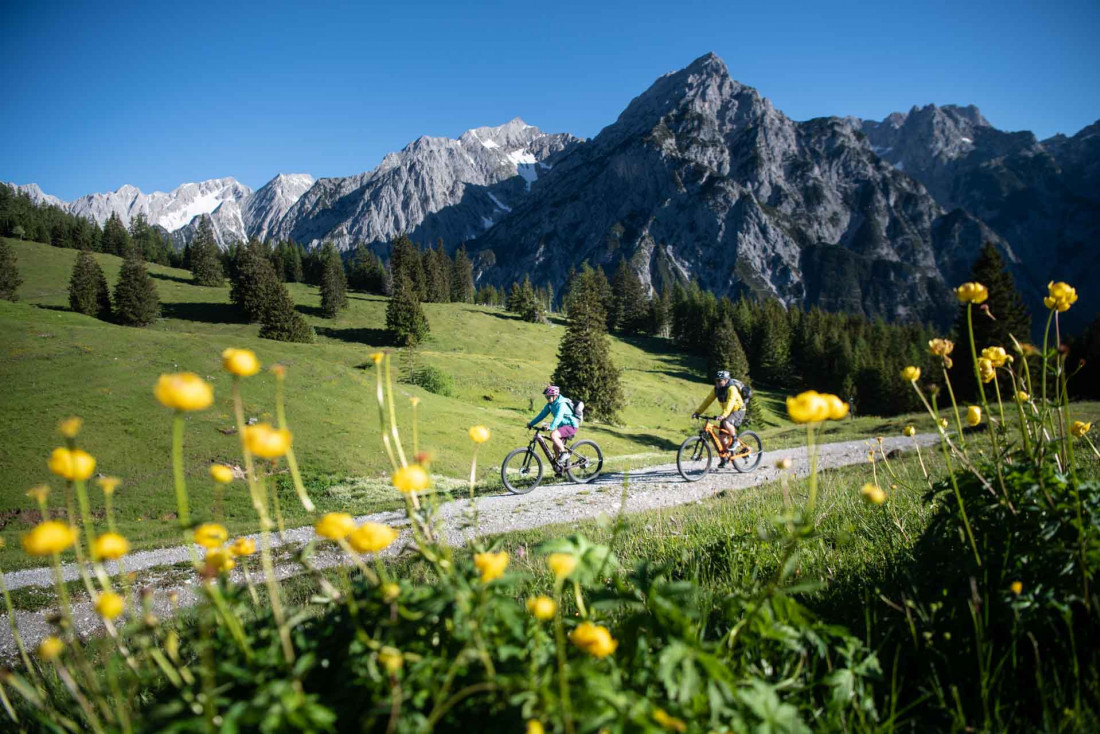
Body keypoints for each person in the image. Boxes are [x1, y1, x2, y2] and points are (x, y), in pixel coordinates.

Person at [691, 370, 745, 468]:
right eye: (716, 380)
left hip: (738, 409)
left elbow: (730, 403)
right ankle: (725, 457)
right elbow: (707, 401)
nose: (717, 382)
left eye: (720, 381)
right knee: (721, 437)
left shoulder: (731, 389)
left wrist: (723, 415)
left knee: (726, 422)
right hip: (727, 412)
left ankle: (735, 439)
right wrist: (698, 412)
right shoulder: (716, 389)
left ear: (726, 380)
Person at [526, 385, 578, 468]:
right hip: (562, 427)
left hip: (571, 426)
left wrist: (551, 426)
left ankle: (565, 453)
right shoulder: (550, 404)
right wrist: (531, 424)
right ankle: (559, 467)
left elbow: (559, 417)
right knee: (555, 446)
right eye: (546, 397)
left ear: (555, 396)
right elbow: (541, 415)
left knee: (553, 435)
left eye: (548, 397)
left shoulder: (562, 404)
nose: (547, 398)